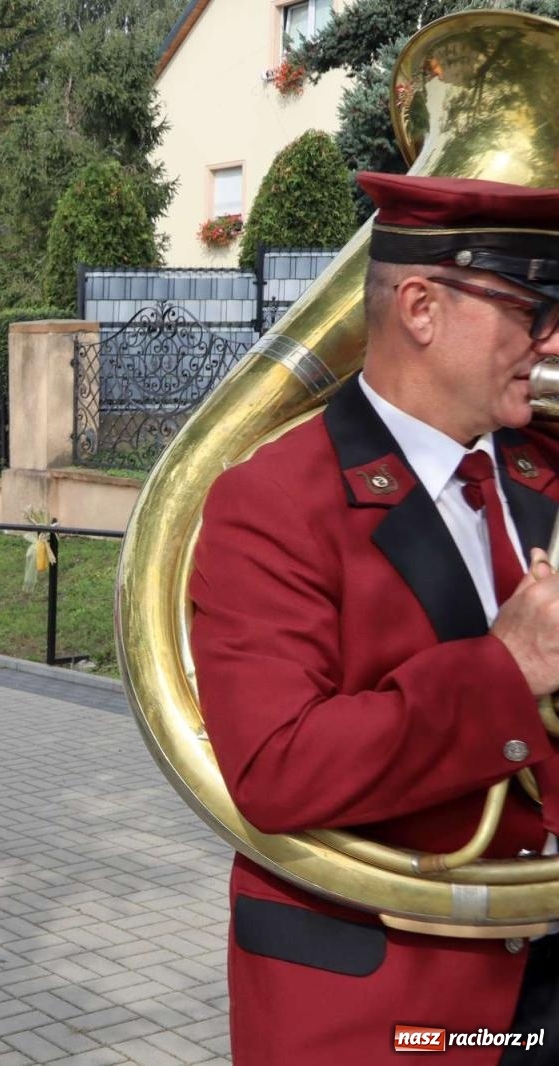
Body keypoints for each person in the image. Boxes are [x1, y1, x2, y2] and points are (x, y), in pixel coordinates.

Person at [188, 173, 559, 1064]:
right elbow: (276, 767)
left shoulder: (541, 463)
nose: (552, 340)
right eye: (532, 310)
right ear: (422, 308)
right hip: (395, 997)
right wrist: (505, 672)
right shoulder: (274, 500)